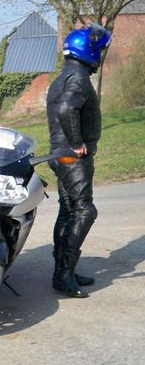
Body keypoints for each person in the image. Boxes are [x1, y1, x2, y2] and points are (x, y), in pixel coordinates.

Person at [46, 24, 111, 299]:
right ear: (87, 50)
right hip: (72, 157)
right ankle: (64, 274)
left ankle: (64, 271)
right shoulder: (78, 78)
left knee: (68, 210)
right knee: (85, 211)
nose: (100, 54)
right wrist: (76, 142)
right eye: (98, 49)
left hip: (59, 154)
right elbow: (66, 109)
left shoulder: (63, 76)